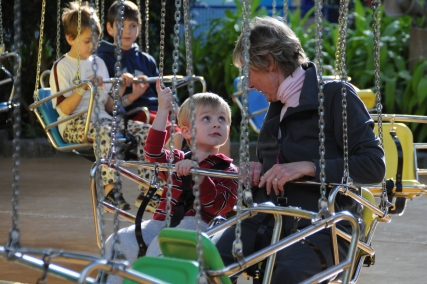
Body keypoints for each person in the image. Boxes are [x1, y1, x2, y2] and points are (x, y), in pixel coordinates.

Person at [211, 16, 386, 284]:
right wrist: (259, 169)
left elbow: (374, 166)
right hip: (267, 220)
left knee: (289, 273)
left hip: (321, 225)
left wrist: (310, 166)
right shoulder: (277, 106)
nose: (247, 84)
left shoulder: (336, 97)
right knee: (207, 260)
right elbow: (276, 165)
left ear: (269, 63)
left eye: (249, 72)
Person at [104, 79, 239, 284]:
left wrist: (201, 178)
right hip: (162, 222)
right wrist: (162, 110)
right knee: (118, 240)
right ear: (186, 131)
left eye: (222, 119)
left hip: (198, 226)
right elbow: (152, 152)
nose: (215, 123)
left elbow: (221, 206)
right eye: (206, 118)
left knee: (163, 245)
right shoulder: (176, 159)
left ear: (228, 130)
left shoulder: (228, 170)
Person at [49, 1, 152, 210]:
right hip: (74, 123)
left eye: (95, 41)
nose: (92, 46)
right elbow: (65, 109)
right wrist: (83, 88)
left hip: (103, 119)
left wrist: (121, 88)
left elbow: (108, 105)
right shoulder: (62, 67)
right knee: (106, 132)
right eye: (87, 41)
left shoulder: (100, 64)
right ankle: (110, 192)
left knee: (146, 132)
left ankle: (148, 190)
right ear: (70, 38)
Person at [97, 0, 183, 151]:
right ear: (110, 28)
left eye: (133, 26)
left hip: (159, 110)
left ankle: (216, 170)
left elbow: (163, 90)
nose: (127, 31)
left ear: (139, 28)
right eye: (121, 26)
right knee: (173, 132)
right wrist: (132, 94)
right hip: (136, 114)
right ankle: (170, 172)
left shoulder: (146, 60)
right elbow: (109, 106)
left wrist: (180, 112)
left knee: (198, 127)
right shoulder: (104, 59)